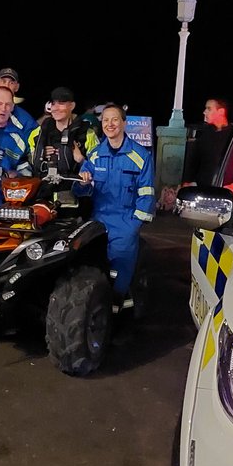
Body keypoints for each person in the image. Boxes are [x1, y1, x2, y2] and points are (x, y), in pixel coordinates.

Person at [75, 103, 155, 316]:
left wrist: (134, 225)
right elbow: (80, 191)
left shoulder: (140, 156)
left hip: (125, 221)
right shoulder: (94, 155)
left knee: (120, 268)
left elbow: (146, 194)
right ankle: (102, 307)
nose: (110, 124)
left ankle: (118, 304)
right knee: (94, 268)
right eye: (106, 120)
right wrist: (82, 183)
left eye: (115, 120)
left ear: (124, 123)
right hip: (98, 220)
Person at [26, 86, 98, 179]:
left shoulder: (87, 134)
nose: (56, 108)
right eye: (53, 104)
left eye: (61, 103)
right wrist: (41, 154)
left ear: (72, 106)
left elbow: (98, 167)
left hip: (74, 189)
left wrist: (81, 160)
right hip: (44, 188)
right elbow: (30, 161)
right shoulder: (37, 133)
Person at [182, 97, 233, 189]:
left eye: (209, 109)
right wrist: (187, 181)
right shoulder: (205, 133)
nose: (204, 112)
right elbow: (194, 160)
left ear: (221, 111)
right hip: (203, 188)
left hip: (225, 189)